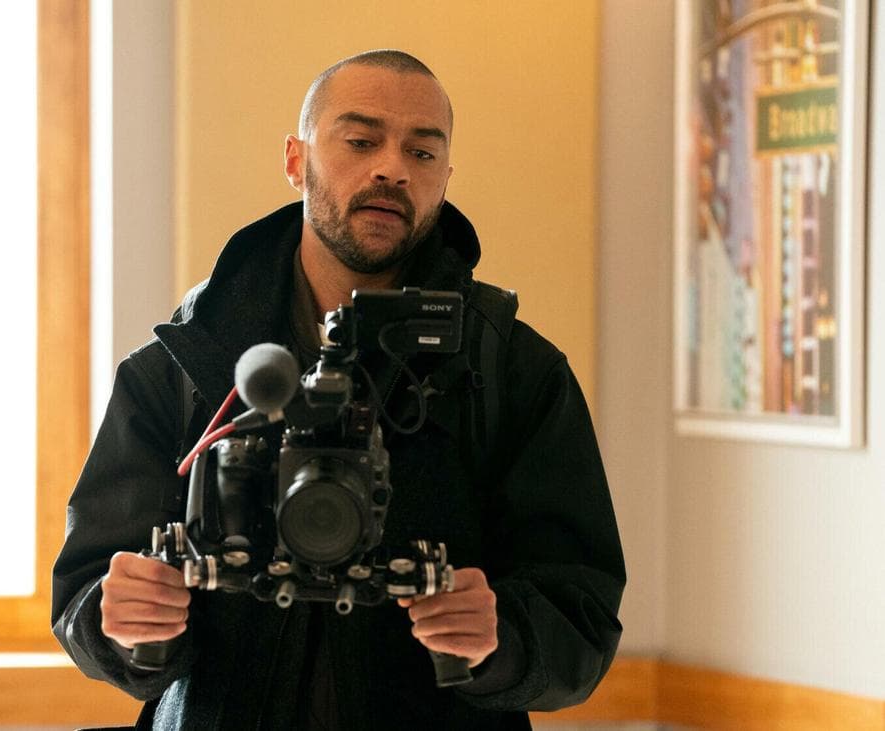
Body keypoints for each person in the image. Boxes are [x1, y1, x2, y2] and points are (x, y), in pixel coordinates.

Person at [52, 49, 624, 729]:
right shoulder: (185, 363)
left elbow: (582, 616)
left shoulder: (509, 369)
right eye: (360, 141)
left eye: (422, 152)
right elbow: (88, 588)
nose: (392, 169)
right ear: (296, 160)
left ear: (444, 178)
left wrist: (499, 638)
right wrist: (125, 621)